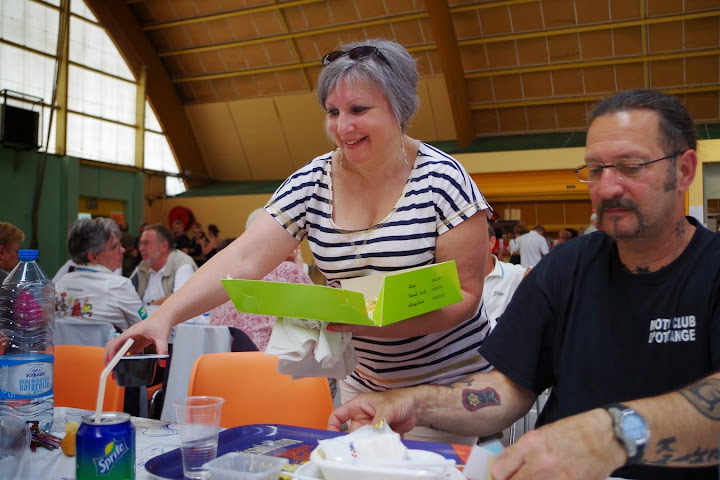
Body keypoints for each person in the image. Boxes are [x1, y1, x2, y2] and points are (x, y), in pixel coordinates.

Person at [107, 38, 493, 445]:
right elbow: (244, 255)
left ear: (399, 107)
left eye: (359, 110)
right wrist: (166, 315)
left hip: (450, 388)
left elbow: (464, 294)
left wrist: (368, 323)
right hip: (366, 389)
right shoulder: (313, 182)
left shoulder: (443, 179)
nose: (343, 127)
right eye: (333, 111)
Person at [328, 89, 719, 480]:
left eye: (631, 166)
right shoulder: (566, 268)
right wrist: (410, 402)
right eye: (596, 170)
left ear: (684, 171)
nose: (608, 187)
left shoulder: (712, 269)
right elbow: (505, 389)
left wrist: (612, 433)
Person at [209, 210, 313, 350]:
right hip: (267, 365)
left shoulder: (224, 273)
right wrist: (298, 268)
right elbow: (320, 321)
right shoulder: (288, 271)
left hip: (222, 362)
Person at [54, 218, 147, 331]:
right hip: (106, 349)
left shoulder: (62, 283)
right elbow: (145, 327)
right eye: (115, 247)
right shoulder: (119, 286)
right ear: (93, 257)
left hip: (65, 348)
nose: (122, 250)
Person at [130, 224, 197, 305]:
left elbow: (182, 299)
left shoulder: (182, 264)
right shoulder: (143, 266)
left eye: (146, 243)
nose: (140, 248)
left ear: (163, 246)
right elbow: (127, 295)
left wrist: (150, 306)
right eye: (140, 244)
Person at [483, 225, 530, 331]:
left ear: (492, 242)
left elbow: (542, 276)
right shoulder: (453, 277)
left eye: (477, 238)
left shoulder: (513, 273)